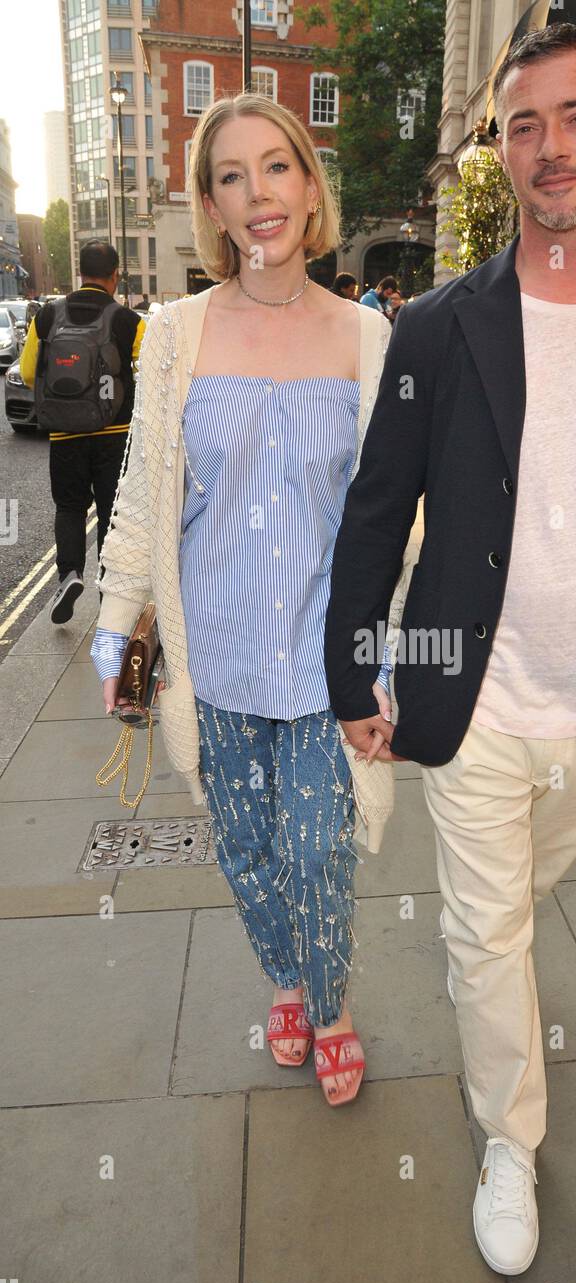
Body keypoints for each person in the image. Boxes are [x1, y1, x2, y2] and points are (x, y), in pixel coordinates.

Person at [325, 22, 576, 1270]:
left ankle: (490, 992)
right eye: (522, 124)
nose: (548, 146)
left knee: (507, 913)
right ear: (500, 152)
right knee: (487, 934)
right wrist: (355, 673)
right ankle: (512, 1137)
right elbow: (377, 509)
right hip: (475, 705)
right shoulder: (438, 331)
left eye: (573, 117)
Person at [90, 91, 409, 1106]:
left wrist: (398, 655)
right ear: (212, 206)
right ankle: (284, 974)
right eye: (232, 175)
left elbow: (400, 518)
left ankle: (330, 1004)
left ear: (309, 188)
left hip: (324, 656)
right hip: (212, 649)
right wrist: (113, 630)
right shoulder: (175, 333)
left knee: (319, 845)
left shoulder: (368, 338)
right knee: (247, 847)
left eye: (277, 166)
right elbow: (143, 493)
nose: (258, 192)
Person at [19, 241, 145, 623]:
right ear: (115, 276)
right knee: (112, 512)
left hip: (65, 433)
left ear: (79, 272)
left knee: (70, 507)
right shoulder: (129, 321)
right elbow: (150, 376)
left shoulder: (46, 317)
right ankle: (108, 593)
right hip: (114, 434)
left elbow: (28, 374)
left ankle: (69, 575)